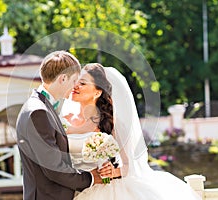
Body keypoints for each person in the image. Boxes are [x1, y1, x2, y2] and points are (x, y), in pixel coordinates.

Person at [63, 63, 201, 200]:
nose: (75, 86)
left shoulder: (112, 123)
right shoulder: (63, 120)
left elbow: (129, 166)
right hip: (71, 188)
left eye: (82, 83)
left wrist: (113, 172)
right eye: (75, 81)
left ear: (97, 92)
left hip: (103, 190)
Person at [15, 51, 102, 200]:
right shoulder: (38, 112)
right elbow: (53, 168)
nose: (75, 86)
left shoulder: (42, 106)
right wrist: (90, 178)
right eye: (74, 80)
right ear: (62, 78)